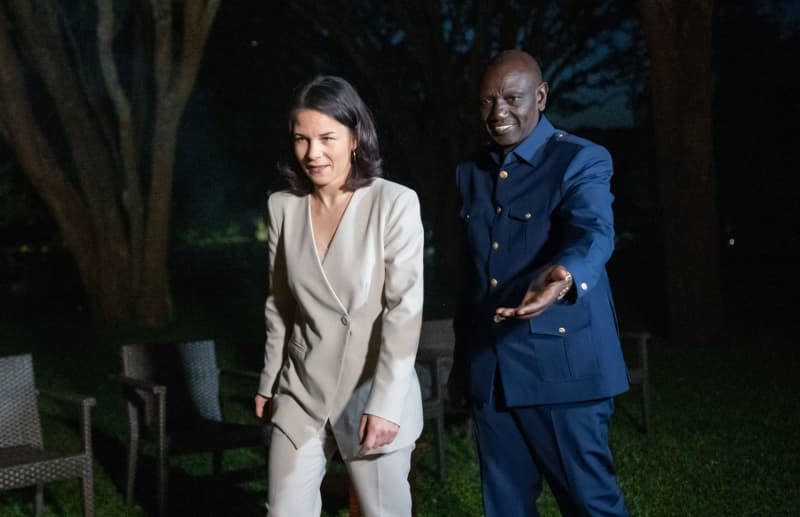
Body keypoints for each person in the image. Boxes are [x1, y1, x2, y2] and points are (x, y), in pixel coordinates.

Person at [448, 49, 630, 516]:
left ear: (541, 96)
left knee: (591, 506)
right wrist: (461, 365)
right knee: (505, 509)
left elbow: (594, 232)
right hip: (492, 374)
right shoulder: (471, 172)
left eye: (512, 98)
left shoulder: (580, 158)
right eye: (488, 101)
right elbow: (473, 275)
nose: (498, 113)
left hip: (561, 371)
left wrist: (563, 275)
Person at [254, 75, 424, 517]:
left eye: (327, 137)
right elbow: (280, 304)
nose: (313, 153)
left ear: (355, 138)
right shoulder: (283, 207)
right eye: (301, 139)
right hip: (301, 390)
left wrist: (386, 403)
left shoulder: (395, 203)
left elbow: (405, 312)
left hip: (369, 392)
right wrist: (270, 381)